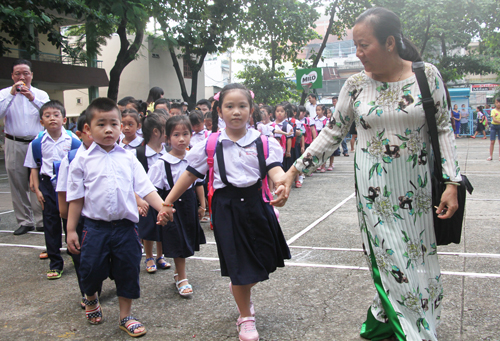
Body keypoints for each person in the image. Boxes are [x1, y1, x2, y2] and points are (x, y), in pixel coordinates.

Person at [275, 7, 461, 341]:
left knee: (418, 259)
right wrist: (293, 171)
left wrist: (452, 182)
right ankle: (415, 333)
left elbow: (445, 129)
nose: (358, 54)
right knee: (392, 258)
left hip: (418, 191)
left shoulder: (426, 75)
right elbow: (332, 134)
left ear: (390, 42)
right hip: (375, 194)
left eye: (364, 45)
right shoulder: (356, 85)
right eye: (355, 45)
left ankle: (381, 318)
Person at [158, 83, 290, 341]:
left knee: (265, 259)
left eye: (242, 106)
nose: (236, 112)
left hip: (257, 204)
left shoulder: (264, 142)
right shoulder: (210, 143)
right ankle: (246, 316)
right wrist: (168, 202)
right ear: (219, 111)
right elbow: (190, 175)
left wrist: (283, 184)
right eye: (229, 106)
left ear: (251, 111)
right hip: (226, 207)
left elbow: (275, 170)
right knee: (239, 265)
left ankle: (241, 286)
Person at [65, 98, 168, 337]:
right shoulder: (82, 160)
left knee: (128, 270)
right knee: (90, 269)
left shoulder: (128, 158)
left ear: (122, 126)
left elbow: (146, 188)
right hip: (95, 228)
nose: (109, 129)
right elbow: (76, 198)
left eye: (114, 123)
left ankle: (125, 316)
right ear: (88, 130)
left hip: (126, 228)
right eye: (101, 124)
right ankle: (91, 298)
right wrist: (71, 230)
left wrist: (162, 207)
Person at [149, 115, 206, 296]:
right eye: (176, 135)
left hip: (189, 204)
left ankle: (178, 273)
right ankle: (182, 277)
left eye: (185, 134)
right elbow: (152, 189)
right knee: (178, 241)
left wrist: (202, 205)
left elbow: (198, 184)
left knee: (187, 240)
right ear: (167, 138)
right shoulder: (162, 163)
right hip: (172, 207)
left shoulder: (193, 158)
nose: (181, 139)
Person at [24, 100, 81, 279]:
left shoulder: (73, 140)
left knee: (70, 221)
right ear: (41, 122)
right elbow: (34, 165)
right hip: (47, 184)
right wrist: (37, 188)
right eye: (47, 116)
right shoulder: (37, 142)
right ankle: (55, 262)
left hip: (67, 185)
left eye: (56, 115)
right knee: (50, 223)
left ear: (64, 119)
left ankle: (75, 254)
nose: (52, 119)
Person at [0, 59, 47, 235]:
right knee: (17, 182)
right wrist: (12, 95)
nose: (22, 77)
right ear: (12, 76)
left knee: (38, 182)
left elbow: (48, 113)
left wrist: (32, 98)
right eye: (18, 73)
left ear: (31, 75)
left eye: (25, 73)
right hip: (14, 142)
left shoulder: (40, 94)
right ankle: (24, 221)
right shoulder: (4, 94)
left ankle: (41, 219)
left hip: (36, 142)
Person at [56, 111, 95, 308]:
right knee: (81, 259)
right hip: (78, 218)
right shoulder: (71, 159)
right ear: (81, 133)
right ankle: (86, 293)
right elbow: (63, 193)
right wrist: (67, 219)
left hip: (99, 220)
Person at [135, 113, 170, 273]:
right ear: (156, 132)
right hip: (145, 196)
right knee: (148, 227)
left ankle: (160, 255)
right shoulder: (139, 153)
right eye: (166, 129)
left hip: (164, 194)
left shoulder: (168, 151)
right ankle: (149, 256)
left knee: (162, 225)